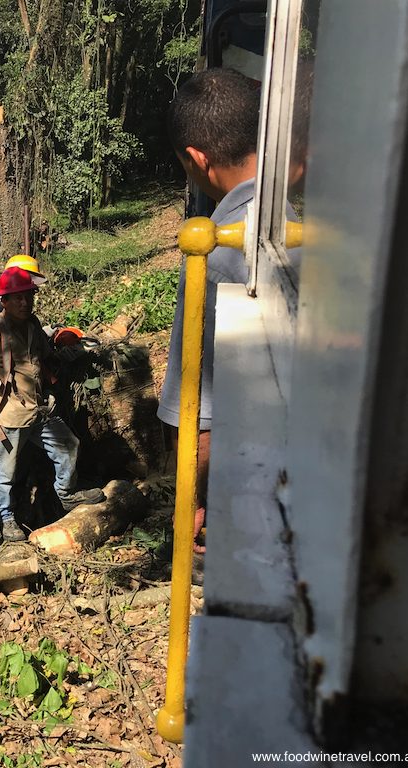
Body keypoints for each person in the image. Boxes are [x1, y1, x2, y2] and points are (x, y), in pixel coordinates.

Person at [157, 67, 263, 552]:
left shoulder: (213, 251)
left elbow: (203, 411)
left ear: (198, 159)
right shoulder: (306, 230)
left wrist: (199, 499)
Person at [0, 267, 101, 542]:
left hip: (38, 408)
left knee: (68, 445)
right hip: (9, 413)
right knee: (4, 471)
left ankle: (66, 493)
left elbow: (43, 356)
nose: (24, 302)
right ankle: (5, 519)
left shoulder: (32, 324)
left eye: (28, 296)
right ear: (4, 301)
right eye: (17, 298)